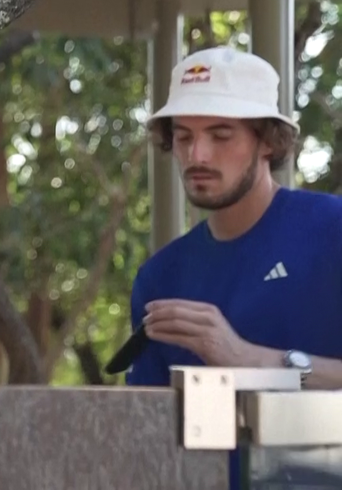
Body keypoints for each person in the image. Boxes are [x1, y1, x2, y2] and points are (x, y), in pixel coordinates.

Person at [126, 46, 342, 485]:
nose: (198, 155)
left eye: (221, 135)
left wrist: (245, 358)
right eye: (184, 136)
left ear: (268, 141)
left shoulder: (331, 231)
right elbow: (146, 436)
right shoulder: (160, 278)